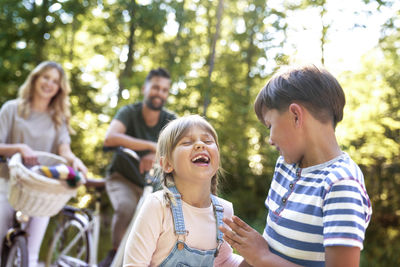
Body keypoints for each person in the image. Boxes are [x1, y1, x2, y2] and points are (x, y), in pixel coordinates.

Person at [220, 65, 373, 267]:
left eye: (270, 126)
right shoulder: (285, 166)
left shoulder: (341, 184)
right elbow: (270, 246)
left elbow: (265, 256)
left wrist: (262, 257)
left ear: (296, 116)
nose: (270, 140)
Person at [0, 61, 88, 267]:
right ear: (35, 79)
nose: (49, 83)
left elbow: (64, 151)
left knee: (31, 253)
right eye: (45, 77)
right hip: (7, 184)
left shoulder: (58, 119)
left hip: (40, 190)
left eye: (55, 81)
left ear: (59, 88)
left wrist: (76, 162)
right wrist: (20, 148)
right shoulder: (11, 109)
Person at [123, 115, 242, 266]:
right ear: (167, 164)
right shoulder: (158, 206)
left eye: (207, 141)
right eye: (186, 142)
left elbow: (224, 261)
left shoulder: (224, 211)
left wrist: (256, 258)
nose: (200, 145)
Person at [101, 68, 177, 266]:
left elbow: (177, 150)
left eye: (164, 90)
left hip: (152, 184)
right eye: (155, 88)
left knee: (160, 223)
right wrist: (151, 146)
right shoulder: (129, 112)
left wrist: (156, 156)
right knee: (126, 208)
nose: (159, 93)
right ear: (145, 88)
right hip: (122, 177)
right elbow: (111, 138)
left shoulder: (170, 121)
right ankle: (114, 253)